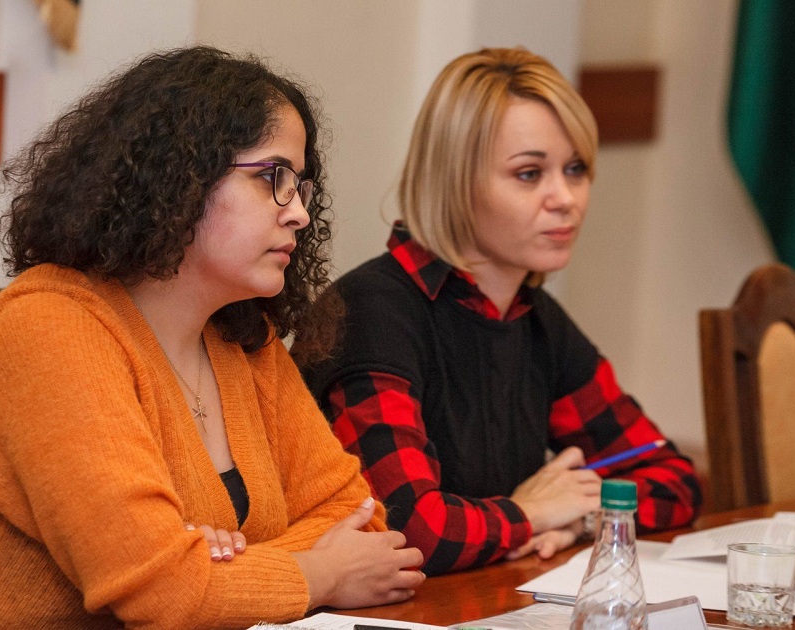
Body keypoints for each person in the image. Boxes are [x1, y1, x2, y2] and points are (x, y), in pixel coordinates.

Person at [0, 46, 424, 629]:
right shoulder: (47, 329)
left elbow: (360, 520)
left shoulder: (240, 336)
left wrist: (215, 570)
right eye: (271, 178)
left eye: (301, 186)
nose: (299, 215)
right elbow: (162, 594)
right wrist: (319, 571)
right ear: (179, 177)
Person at [295, 47, 702, 577]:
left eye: (576, 169)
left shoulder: (533, 316)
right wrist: (529, 513)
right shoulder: (370, 311)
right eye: (529, 174)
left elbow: (673, 478)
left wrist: (582, 518)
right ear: (455, 182)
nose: (566, 198)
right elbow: (409, 529)